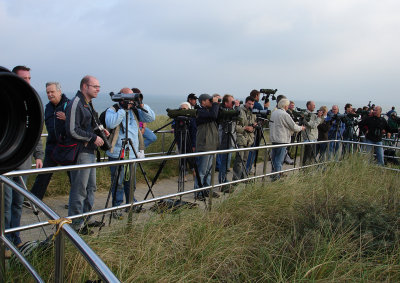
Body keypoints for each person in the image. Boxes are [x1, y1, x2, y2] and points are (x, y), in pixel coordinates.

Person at [3, 66, 44, 258]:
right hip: (6, 161)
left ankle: (16, 236)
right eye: (23, 78)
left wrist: (38, 155)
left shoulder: (31, 100)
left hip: (23, 160)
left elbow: (34, 132)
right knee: (6, 202)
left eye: (29, 78)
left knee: (18, 201)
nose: (27, 82)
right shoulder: (8, 97)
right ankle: (5, 238)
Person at [65, 75, 108, 234]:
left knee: (91, 187)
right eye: (95, 86)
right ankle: (76, 226)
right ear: (84, 87)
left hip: (89, 151)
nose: (98, 89)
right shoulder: (76, 103)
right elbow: (72, 130)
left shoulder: (88, 104)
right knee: (80, 188)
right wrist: (93, 137)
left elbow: (92, 123)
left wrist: (101, 131)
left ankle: (86, 219)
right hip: (81, 152)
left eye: (98, 86)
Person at [105, 87, 155, 219]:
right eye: (128, 97)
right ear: (121, 97)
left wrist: (140, 104)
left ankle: (131, 204)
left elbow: (151, 118)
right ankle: (117, 207)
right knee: (118, 182)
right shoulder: (113, 109)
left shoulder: (135, 111)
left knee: (130, 182)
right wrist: (123, 109)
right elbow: (110, 123)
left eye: (132, 97)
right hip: (117, 153)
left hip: (132, 153)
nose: (131, 101)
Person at [26, 82, 70, 205]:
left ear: (59, 92)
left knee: (73, 174)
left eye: (52, 92)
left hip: (67, 146)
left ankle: (75, 201)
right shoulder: (48, 107)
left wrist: (68, 119)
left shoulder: (69, 105)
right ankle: (34, 200)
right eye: (47, 92)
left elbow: (77, 123)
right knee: (44, 173)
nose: (50, 95)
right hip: (52, 146)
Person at [269, 98, 304, 180]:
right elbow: (293, 126)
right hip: (282, 139)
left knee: (274, 159)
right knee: (279, 160)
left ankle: (273, 174)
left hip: (274, 139)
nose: (288, 107)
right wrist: (301, 128)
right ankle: (276, 177)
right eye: (287, 105)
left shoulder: (274, 113)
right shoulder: (284, 114)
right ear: (285, 106)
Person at [194, 93, 220, 200]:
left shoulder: (210, 111)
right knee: (202, 171)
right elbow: (213, 116)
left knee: (209, 171)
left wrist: (218, 104)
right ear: (203, 102)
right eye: (209, 100)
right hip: (204, 145)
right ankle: (198, 192)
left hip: (212, 144)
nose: (211, 102)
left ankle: (207, 190)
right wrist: (215, 104)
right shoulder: (199, 112)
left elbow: (218, 116)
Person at [217, 94, 240, 192]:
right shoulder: (222, 111)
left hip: (230, 140)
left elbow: (237, 116)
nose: (233, 103)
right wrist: (237, 107)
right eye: (232, 101)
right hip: (224, 140)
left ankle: (224, 181)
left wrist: (236, 107)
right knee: (223, 163)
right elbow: (237, 114)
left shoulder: (229, 111)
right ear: (226, 103)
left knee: (226, 163)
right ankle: (222, 182)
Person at [233, 96, 257, 182]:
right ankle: (236, 179)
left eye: (252, 104)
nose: (250, 106)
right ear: (245, 103)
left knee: (245, 159)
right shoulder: (239, 111)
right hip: (240, 138)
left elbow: (253, 125)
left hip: (249, 139)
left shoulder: (253, 113)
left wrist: (253, 127)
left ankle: (242, 177)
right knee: (239, 160)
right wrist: (245, 128)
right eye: (249, 103)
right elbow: (235, 126)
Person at [301, 101, 321, 165]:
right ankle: (304, 169)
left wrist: (319, 117)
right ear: (309, 106)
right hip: (309, 137)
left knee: (313, 155)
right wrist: (319, 117)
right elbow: (312, 125)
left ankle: (310, 168)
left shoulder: (313, 114)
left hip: (314, 137)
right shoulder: (305, 115)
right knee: (307, 155)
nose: (314, 106)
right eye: (313, 105)